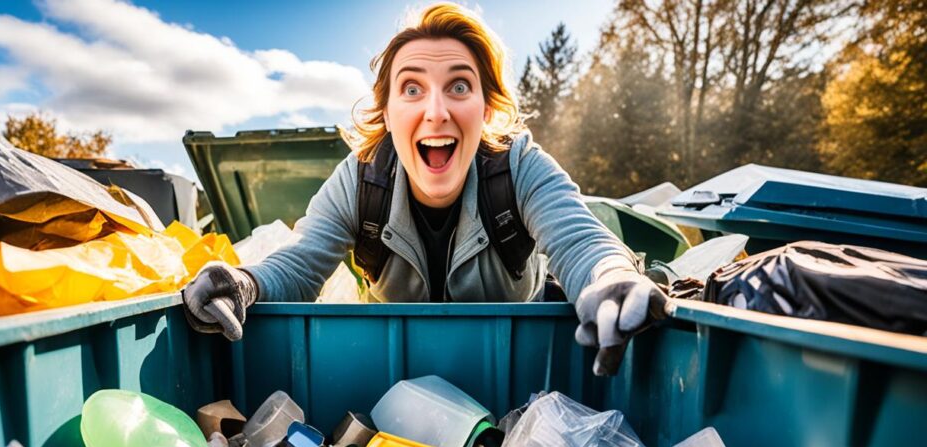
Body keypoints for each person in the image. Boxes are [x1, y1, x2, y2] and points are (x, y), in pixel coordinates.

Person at [183, 3, 670, 375]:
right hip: (396, 383)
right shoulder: (360, 179)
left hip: (522, 376)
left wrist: (608, 277)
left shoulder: (517, 166)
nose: (436, 111)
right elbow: (298, 265)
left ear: (485, 107)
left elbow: (581, 241)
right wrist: (244, 283)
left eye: (459, 86)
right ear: (388, 112)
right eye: (412, 89)